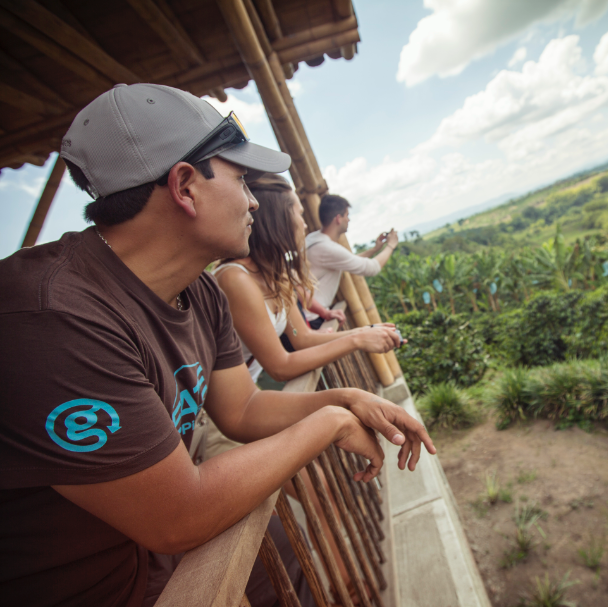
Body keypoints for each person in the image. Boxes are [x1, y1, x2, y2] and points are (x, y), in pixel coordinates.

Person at [0, 83, 435, 607]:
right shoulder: (49, 317)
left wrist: (345, 399)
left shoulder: (198, 290)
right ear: (185, 186)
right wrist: (331, 422)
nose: (254, 200)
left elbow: (241, 407)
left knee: (286, 558)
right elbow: (177, 515)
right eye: (241, 178)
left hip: (155, 564)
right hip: (84, 589)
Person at [212, 173, 401, 384]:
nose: (304, 225)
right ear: (279, 220)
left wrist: (365, 331)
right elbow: (280, 367)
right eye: (299, 214)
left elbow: (303, 338)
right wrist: (357, 339)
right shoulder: (235, 279)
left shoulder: (277, 274)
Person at [304, 194, 399, 329]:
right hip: (312, 318)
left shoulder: (313, 239)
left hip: (308, 314)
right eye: (346, 215)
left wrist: (375, 249)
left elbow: (347, 259)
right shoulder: (326, 248)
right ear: (338, 218)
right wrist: (391, 245)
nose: (349, 219)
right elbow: (371, 268)